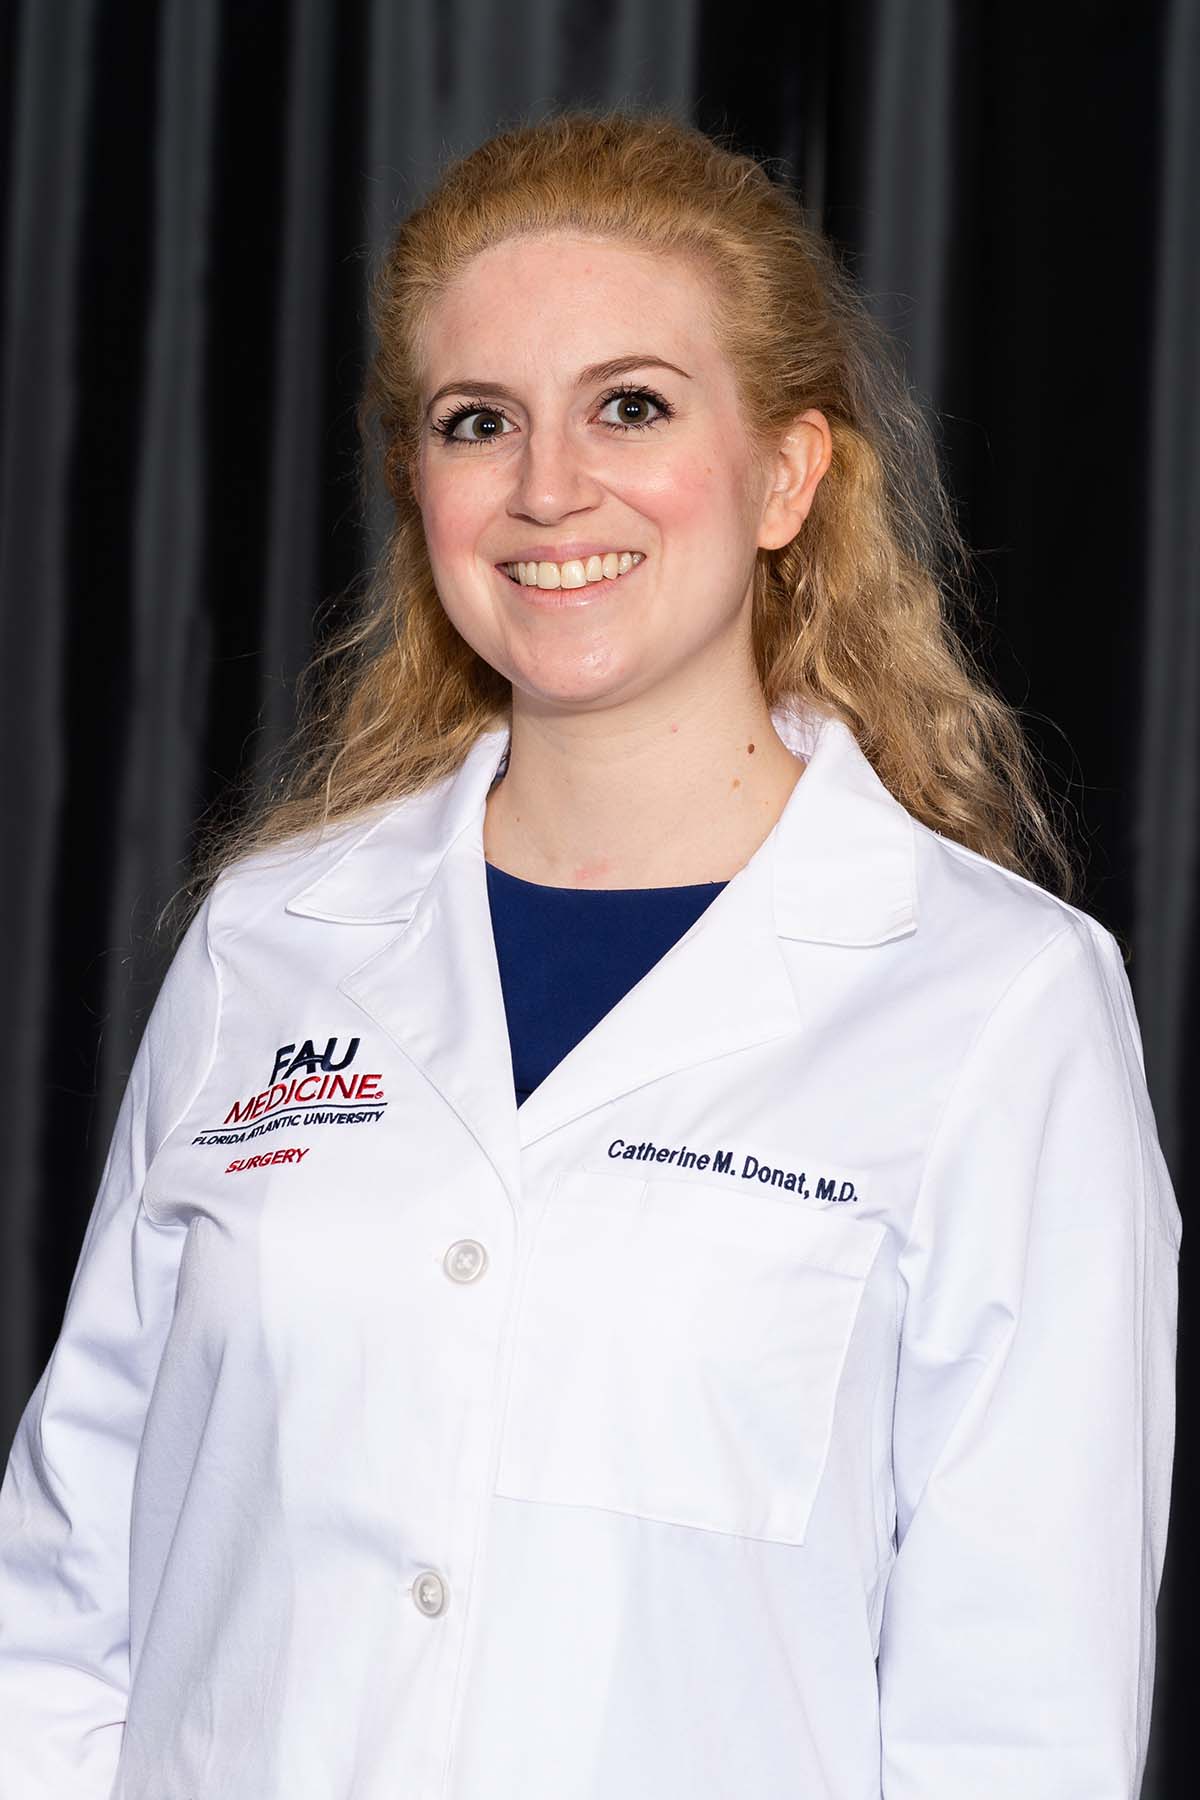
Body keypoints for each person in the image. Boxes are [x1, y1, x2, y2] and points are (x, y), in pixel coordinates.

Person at [0, 108, 1181, 1800]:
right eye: (478, 422)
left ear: (787, 475)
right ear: (418, 487)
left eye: (632, 405)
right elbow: (64, 1595)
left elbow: (1023, 1714)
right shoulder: (269, 948)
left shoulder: (998, 1002)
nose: (549, 487)